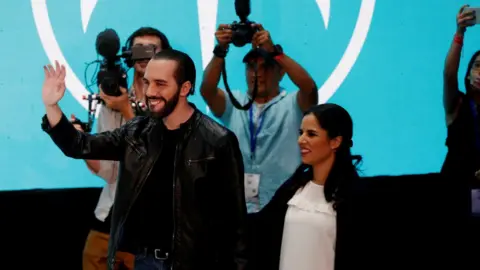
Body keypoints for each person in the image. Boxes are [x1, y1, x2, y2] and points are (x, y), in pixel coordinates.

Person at [40, 50, 247, 270]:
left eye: (160, 84)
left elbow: (235, 222)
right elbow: (79, 145)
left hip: (195, 263)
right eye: (147, 82)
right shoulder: (136, 132)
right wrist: (52, 106)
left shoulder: (217, 140)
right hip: (144, 261)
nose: (150, 91)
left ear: (185, 88)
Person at [78, 26, 172, 270]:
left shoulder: (174, 103)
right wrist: (81, 142)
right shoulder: (113, 98)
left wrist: (126, 111)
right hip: (109, 215)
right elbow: (109, 172)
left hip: (151, 226)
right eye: (138, 49)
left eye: (152, 50)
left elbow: (158, 158)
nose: (144, 56)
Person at [201, 23, 318, 212]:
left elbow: (309, 88)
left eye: (266, 67)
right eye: (251, 67)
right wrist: (220, 50)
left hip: (286, 206)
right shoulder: (235, 102)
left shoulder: (293, 103)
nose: (258, 74)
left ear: (281, 72)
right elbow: (207, 90)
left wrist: (275, 52)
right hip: (239, 207)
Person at [247, 104, 362, 270]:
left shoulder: (354, 196)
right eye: (301, 133)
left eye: (311, 134)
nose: (301, 140)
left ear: (335, 141)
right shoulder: (293, 188)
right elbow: (260, 228)